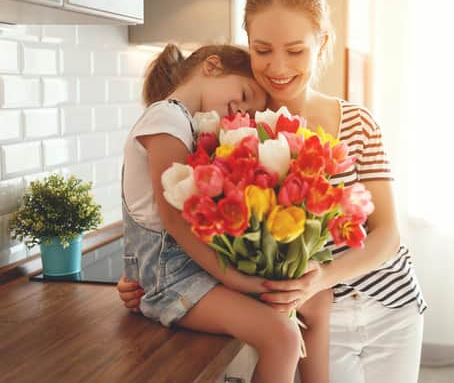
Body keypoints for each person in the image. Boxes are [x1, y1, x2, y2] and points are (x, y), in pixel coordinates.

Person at [119, 0, 427, 383]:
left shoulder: (358, 122)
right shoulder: (226, 133)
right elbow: (192, 222)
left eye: (296, 50)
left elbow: (387, 233)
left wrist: (321, 278)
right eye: (262, 49)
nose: (278, 66)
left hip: (392, 308)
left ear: (322, 44)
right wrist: (141, 273)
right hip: (318, 317)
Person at [120, 42, 333, 383]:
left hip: (196, 271)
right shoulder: (166, 117)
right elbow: (174, 220)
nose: (241, 111)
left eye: (249, 111)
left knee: (318, 299)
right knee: (282, 337)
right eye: (246, 93)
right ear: (212, 65)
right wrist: (238, 280)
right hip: (173, 279)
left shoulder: (189, 124)